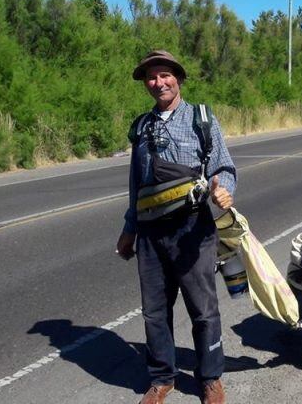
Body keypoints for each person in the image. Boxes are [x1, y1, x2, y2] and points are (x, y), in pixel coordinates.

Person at [116, 50, 236, 404]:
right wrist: (129, 229)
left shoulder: (202, 119)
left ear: (178, 79)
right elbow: (136, 184)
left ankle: (210, 378)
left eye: (165, 75)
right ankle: (161, 379)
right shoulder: (141, 126)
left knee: (203, 309)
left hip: (192, 231)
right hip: (152, 235)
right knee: (154, 310)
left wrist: (223, 189)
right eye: (152, 77)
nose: (159, 83)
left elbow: (223, 167)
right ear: (145, 84)